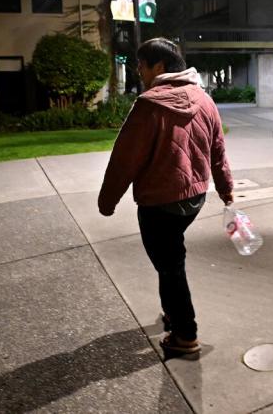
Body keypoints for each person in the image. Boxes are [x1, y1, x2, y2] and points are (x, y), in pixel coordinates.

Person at [98, 38, 233, 355]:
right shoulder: (204, 99)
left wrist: (107, 201)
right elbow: (219, 153)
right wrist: (226, 191)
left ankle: (186, 334)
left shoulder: (148, 106)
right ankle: (173, 315)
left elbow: (124, 160)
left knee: (171, 266)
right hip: (194, 199)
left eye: (141, 65)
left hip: (159, 203)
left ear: (158, 67)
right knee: (170, 260)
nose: (139, 72)